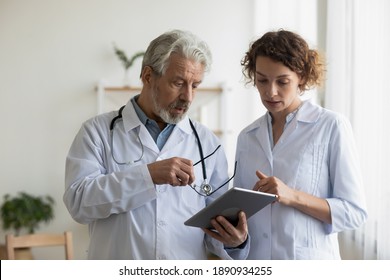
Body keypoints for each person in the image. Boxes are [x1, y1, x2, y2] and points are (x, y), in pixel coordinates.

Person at [63, 30, 248, 260]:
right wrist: (147, 176)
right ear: (148, 76)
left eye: (195, 85)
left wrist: (234, 242)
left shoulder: (207, 143)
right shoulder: (97, 132)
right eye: (178, 83)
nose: (188, 97)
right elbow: (78, 203)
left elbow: (214, 228)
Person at [234, 29, 367, 259]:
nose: (270, 91)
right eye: (262, 80)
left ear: (302, 78)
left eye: (282, 81)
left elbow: (354, 212)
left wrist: (291, 196)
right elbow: (242, 212)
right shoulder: (247, 136)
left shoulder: (331, 126)